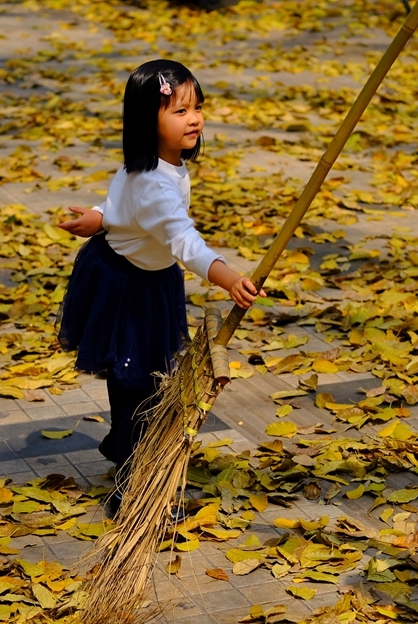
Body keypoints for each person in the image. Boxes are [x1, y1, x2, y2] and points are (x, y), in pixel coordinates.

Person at [57, 59, 263, 519]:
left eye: (197, 107)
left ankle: (123, 442)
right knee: (135, 382)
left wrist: (99, 216)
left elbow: (124, 207)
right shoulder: (153, 181)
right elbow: (183, 239)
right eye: (179, 111)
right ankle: (132, 488)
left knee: (143, 378)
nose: (194, 119)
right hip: (125, 288)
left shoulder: (154, 166)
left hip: (149, 279)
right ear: (146, 121)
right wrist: (227, 276)